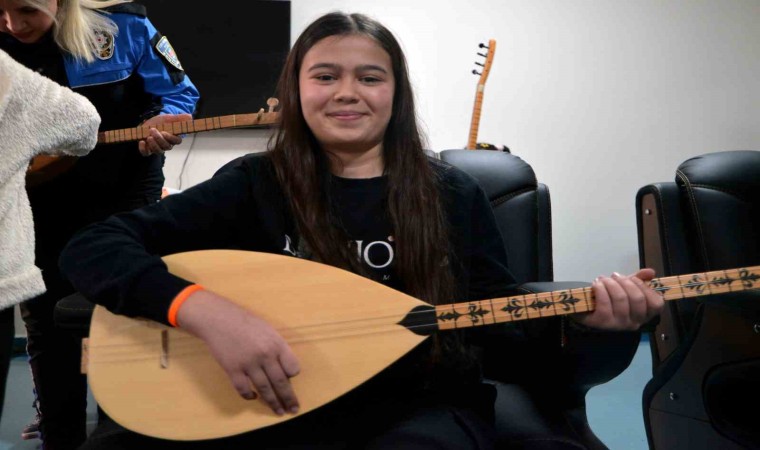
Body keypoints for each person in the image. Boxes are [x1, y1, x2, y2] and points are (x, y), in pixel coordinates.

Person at [59, 12, 663, 450]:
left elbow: (498, 331)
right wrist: (203, 311)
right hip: (272, 400)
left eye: (370, 77)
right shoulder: (255, 182)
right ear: (295, 90)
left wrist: (590, 327)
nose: (347, 93)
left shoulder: (451, 194)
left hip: (417, 407)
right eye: (325, 76)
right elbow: (91, 248)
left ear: (396, 94)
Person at [0, 0, 199, 448]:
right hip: (34, 195)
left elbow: (178, 92)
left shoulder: (124, 26)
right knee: (47, 319)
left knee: (124, 311)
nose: (12, 25)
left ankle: (122, 431)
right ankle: (59, 431)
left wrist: (165, 119)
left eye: (26, 9)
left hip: (123, 189)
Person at [0, 48, 100, 425]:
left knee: (76, 326)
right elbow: (83, 123)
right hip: (22, 246)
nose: (13, 24)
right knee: (46, 331)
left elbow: (83, 122)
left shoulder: (127, 29)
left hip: (93, 203)